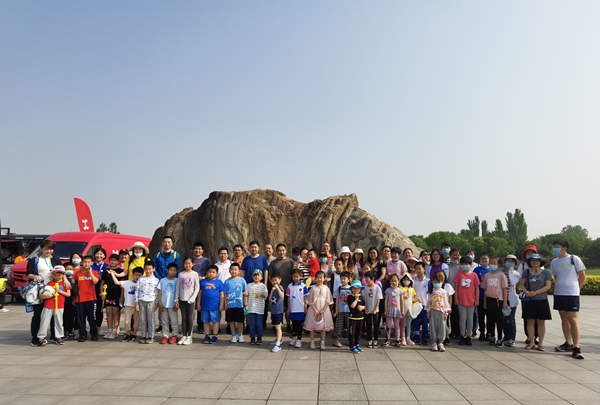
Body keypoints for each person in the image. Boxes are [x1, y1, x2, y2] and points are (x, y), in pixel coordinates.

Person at [551, 239, 586, 359]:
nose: (555, 249)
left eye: (557, 247)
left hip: (571, 294)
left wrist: (577, 289)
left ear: (564, 248)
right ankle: (568, 343)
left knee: (573, 320)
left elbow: (582, 275)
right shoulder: (554, 262)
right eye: (554, 247)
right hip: (559, 293)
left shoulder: (574, 259)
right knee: (564, 318)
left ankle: (576, 347)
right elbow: (556, 276)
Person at [27, 239, 65, 346]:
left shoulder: (56, 260)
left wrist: (65, 280)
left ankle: (54, 335)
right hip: (39, 291)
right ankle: (36, 337)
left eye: (51, 249)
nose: (48, 251)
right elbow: (28, 273)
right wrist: (34, 276)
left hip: (53, 290)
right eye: (46, 249)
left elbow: (62, 272)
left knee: (54, 314)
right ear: (41, 248)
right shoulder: (35, 260)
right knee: (38, 314)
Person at [519, 254, 552, 351]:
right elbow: (522, 284)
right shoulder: (526, 272)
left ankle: (540, 343)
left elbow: (548, 286)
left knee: (541, 322)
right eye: (532, 260)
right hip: (530, 300)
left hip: (542, 299)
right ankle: (531, 342)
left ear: (540, 262)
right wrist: (526, 291)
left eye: (537, 260)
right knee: (530, 321)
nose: (535, 262)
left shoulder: (546, 273)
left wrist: (536, 292)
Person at [36, 266, 71, 346]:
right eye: (55, 275)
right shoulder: (49, 283)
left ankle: (59, 337)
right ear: (52, 275)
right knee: (44, 321)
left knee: (59, 321)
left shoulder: (65, 283)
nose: (57, 276)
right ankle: (41, 337)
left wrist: (59, 291)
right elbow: (43, 293)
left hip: (59, 305)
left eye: (59, 275)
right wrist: (43, 295)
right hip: (48, 305)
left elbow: (68, 294)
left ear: (63, 275)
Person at [482, 256, 508, 347]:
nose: (493, 265)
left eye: (495, 263)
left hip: (498, 300)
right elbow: (485, 289)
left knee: (499, 320)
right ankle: (492, 336)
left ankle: (500, 338)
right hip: (489, 299)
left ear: (499, 264)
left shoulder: (501, 275)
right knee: (490, 319)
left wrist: (505, 302)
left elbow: (504, 289)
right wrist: (485, 302)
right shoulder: (487, 275)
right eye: (491, 263)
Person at [304, 271, 334, 350]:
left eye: (321, 278)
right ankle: (312, 341)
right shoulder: (313, 288)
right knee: (312, 327)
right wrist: (315, 310)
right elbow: (310, 300)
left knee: (323, 327)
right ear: (315, 278)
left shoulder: (326, 288)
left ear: (324, 279)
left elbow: (328, 300)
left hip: (324, 310)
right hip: (313, 309)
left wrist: (323, 309)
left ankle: (322, 342)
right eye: (318, 277)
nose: (319, 279)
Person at [453, 256, 479, 346]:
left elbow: (477, 288)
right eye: (463, 264)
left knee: (470, 318)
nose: (465, 266)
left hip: (471, 301)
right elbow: (456, 287)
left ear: (471, 264)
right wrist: (456, 298)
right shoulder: (459, 275)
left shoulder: (474, 275)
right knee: (462, 318)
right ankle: (462, 335)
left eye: (467, 264)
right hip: (461, 300)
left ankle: (469, 336)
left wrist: (477, 300)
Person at [100, 254, 126, 339]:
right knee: (108, 312)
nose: (113, 262)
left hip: (116, 293)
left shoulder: (120, 271)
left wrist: (122, 296)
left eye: (115, 260)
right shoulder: (106, 271)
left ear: (118, 261)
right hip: (107, 294)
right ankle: (109, 330)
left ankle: (115, 331)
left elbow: (122, 285)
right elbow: (102, 283)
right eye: (111, 260)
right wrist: (102, 294)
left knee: (116, 313)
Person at [519, 244, 541, 345]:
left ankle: (536, 336)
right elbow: (520, 280)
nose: (530, 255)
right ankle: (529, 336)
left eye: (532, 253)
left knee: (538, 316)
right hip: (526, 294)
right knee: (527, 316)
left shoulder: (540, 265)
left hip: (538, 294)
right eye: (528, 253)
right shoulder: (522, 265)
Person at [268, 244, 294, 329]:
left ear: (286, 251)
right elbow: (270, 276)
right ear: (276, 251)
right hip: (276, 290)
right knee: (276, 306)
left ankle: (288, 325)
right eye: (279, 250)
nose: (281, 252)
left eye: (283, 250)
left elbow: (294, 275)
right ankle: (276, 324)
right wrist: (274, 285)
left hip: (288, 288)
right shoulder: (273, 263)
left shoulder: (290, 261)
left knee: (287, 308)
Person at [74, 255, 99, 342]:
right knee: (81, 318)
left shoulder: (94, 272)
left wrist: (90, 272)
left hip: (91, 298)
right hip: (80, 299)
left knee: (92, 317)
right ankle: (83, 334)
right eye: (85, 262)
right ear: (81, 263)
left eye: (88, 262)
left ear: (92, 263)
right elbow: (75, 286)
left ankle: (94, 333)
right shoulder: (77, 273)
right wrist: (74, 299)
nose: (86, 264)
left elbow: (95, 281)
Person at [198, 265, 225, 344]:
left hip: (215, 306)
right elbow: (199, 294)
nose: (211, 274)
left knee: (215, 321)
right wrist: (198, 303)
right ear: (207, 272)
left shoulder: (219, 282)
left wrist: (221, 304)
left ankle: (214, 335)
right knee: (205, 321)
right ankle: (207, 335)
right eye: (209, 272)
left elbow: (222, 294)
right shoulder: (203, 282)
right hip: (205, 305)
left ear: (217, 273)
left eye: (213, 272)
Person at [175, 258, 200, 345]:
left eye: (189, 263)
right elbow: (178, 287)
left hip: (190, 300)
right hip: (182, 299)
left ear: (192, 264)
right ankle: (184, 335)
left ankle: (189, 336)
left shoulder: (195, 274)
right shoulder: (181, 274)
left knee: (190, 317)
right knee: (184, 317)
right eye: (186, 263)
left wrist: (193, 298)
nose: (187, 265)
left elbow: (197, 287)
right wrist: (176, 299)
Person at [135, 260, 159, 344]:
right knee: (142, 319)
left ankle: (151, 336)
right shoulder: (141, 279)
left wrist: (156, 304)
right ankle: (143, 335)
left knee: (150, 319)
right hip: (141, 301)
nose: (148, 271)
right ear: (144, 269)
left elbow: (157, 293)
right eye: (146, 269)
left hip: (151, 302)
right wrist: (136, 303)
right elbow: (136, 291)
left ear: (153, 269)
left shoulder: (156, 280)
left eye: (150, 269)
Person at [224, 262, 248, 343]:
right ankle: (233, 335)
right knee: (231, 321)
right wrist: (225, 303)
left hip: (239, 305)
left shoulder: (242, 280)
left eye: (235, 270)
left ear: (239, 271)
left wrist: (245, 301)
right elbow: (225, 293)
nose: (233, 271)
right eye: (232, 270)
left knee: (240, 321)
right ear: (229, 271)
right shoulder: (227, 281)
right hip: (230, 305)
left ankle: (240, 335)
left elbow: (245, 292)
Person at [426, 272, 450, 352]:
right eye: (435, 282)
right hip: (433, 310)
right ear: (433, 282)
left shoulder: (443, 292)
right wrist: (428, 311)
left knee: (442, 326)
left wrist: (446, 312)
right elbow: (428, 302)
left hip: (441, 311)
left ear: (442, 282)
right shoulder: (430, 292)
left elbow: (446, 302)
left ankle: (440, 342)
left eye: (438, 282)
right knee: (433, 326)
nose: (437, 284)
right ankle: (433, 342)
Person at [286, 268, 309, 348]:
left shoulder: (303, 286)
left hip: (300, 309)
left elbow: (305, 298)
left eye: (297, 276)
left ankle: (299, 339)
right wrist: (289, 308)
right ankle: (294, 338)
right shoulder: (289, 286)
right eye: (294, 276)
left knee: (299, 325)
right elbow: (288, 298)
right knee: (294, 324)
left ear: (300, 276)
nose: (295, 278)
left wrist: (305, 307)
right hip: (293, 308)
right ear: (292, 277)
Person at [158, 263, 179, 345]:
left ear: (176, 271)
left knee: (174, 321)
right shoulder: (162, 281)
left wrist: (177, 303)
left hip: (173, 305)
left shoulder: (177, 280)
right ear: (167, 270)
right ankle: (165, 336)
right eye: (171, 270)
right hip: (164, 304)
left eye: (174, 270)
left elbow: (178, 293)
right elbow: (160, 292)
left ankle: (174, 335)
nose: (172, 272)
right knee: (164, 321)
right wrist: (160, 303)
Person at [501, 255, 520, 347]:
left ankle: (511, 338)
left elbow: (512, 282)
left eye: (512, 261)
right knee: (503, 320)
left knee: (510, 319)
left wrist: (510, 271)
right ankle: (506, 336)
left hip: (511, 300)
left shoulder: (516, 274)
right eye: (508, 261)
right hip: (501, 299)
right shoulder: (500, 272)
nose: (510, 263)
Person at [120, 267, 143, 343]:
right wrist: (113, 274)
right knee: (127, 321)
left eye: (139, 275)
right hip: (128, 305)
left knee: (136, 321)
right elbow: (117, 282)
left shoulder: (143, 284)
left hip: (138, 305)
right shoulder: (127, 282)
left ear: (142, 276)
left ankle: (134, 334)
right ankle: (128, 333)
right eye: (136, 275)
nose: (137, 277)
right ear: (132, 275)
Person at [473, 253, 492, 341]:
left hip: (490, 297)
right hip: (480, 296)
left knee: (490, 317)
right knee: (480, 316)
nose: (484, 260)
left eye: (485, 258)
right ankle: (482, 332)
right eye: (482, 258)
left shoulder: (492, 270)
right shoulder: (477, 270)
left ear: (489, 259)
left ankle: (489, 333)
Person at [362, 270, 383, 348]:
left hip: (375, 310)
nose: (366, 280)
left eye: (368, 279)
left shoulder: (377, 288)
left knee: (376, 325)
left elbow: (378, 299)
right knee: (368, 324)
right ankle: (370, 339)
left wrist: (376, 308)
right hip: (367, 310)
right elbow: (363, 299)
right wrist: (365, 309)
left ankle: (376, 340)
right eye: (365, 279)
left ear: (373, 278)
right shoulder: (364, 288)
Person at [247, 269, 268, 345]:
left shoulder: (263, 286)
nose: (256, 277)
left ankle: (259, 337)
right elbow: (246, 294)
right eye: (255, 275)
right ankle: (252, 338)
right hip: (251, 308)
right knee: (252, 324)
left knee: (259, 324)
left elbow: (266, 296)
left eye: (258, 275)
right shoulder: (249, 285)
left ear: (261, 277)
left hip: (260, 308)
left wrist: (261, 294)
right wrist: (245, 296)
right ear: (252, 277)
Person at [411, 262, 430, 345]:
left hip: (425, 305)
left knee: (425, 322)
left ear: (424, 269)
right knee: (415, 321)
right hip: (415, 304)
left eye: (420, 268)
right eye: (416, 269)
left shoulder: (428, 281)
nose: (418, 270)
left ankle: (425, 338)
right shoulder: (413, 281)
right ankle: (416, 336)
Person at [384, 274, 404, 347]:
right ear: (390, 281)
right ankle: (387, 339)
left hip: (397, 311)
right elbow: (386, 300)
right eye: (392, 281)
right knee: (388, 325)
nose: (394, 282)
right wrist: (385, 310)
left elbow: (402, 301)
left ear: (398, 281)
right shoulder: (388, 290)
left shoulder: (400, 291)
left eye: (395, 281)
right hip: (389, 310)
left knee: (397, 326)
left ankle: (397, 339)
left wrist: (402, 310)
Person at [332, 271, 352, 348]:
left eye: (344, 279)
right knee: (338, 325)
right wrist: (336, 310)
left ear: (348, 279)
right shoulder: (339, 288)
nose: (342, 280)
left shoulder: (351, 288)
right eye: (341, 279)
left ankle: (350, 340)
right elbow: (337, 300)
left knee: (350, 326)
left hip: (349, 311)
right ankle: (336, 340)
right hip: (340, 310)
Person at [91, 247, 108, 330]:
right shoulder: (90, 265)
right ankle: (92, 327)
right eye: (97, 253)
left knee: (99, 310)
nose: (99, 255)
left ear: (104, 255)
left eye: (101, 254)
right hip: (91, 290)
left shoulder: (106, 266)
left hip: (100, 290)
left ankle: (98, 327)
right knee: (91, 310)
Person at [347, 280, 366, 354]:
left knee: (358, 332)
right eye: (354, 288)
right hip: (352, 318)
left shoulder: (361, 296)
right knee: (352, 332)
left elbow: (364, 305)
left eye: (358, 289)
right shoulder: (350, 297)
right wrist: (356, 299)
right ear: (351, 289)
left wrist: (362, 307)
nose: (356, 290)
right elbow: (352, 306)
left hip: (360, 317)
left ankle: (357, 344)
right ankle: (352, 346)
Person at [269, 273, 285, 352]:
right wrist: (272, 291)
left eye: (276, 280)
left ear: (280, 280)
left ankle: (278, 344)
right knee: (276, 326)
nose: (274, 282)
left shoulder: (280, 287)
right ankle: (279, 339)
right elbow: (269, 299)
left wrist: (277, 288)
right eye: (273, 280)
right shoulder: (273, 288)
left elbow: (282, 296)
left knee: (278, 327)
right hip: (274, 311)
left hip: (279, 311)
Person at [399, 273, 417, 346]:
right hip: (403, 308)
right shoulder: (400, 288)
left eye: (408, 280)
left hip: (410, 308)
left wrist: (417, 300)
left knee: (408, 324)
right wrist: (403, 297)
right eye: (405, 279)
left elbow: (413, 298)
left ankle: (408, 337)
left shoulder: (412, 289)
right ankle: (402, 337)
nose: (406, 281)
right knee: (403, 324)